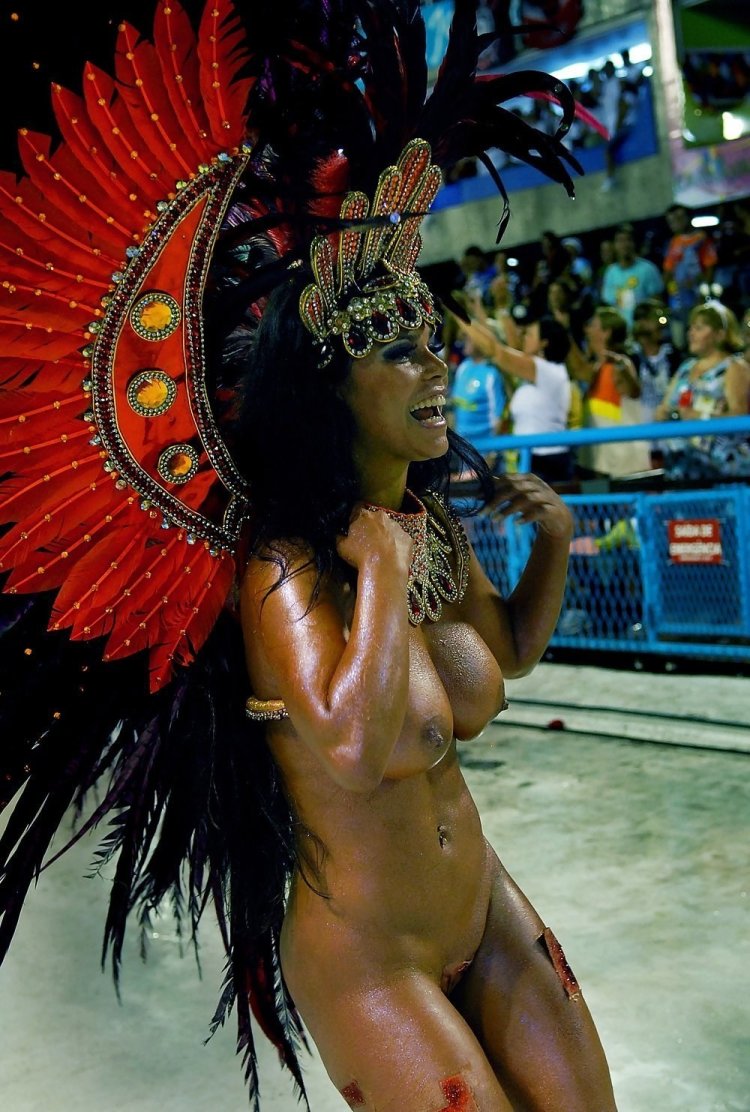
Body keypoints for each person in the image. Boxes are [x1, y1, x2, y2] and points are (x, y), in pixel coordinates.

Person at [0, 2, 618, 1110]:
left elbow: (506, 656)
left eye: (430, 336)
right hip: (371, 961)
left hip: (487, 904)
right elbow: (344, 743)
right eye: (393, 349)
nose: (433, 365)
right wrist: (373, 573)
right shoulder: (284, 567)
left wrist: (555, 544)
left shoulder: (425, 527)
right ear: (331, 390)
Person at [459, 308, 575, 484]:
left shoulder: (547, 371)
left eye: (530, 335)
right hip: (530, 458)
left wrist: (457, 313)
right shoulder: (536, 375)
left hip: (547, 462)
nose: (524, 338)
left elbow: (495, 350)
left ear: (544, 343)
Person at [655, 302, 750, 481]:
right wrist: (663, 413)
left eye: (699, 328)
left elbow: (740, 416)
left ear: (719, 334)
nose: (691, 333)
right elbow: (666, 407)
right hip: (681, 469)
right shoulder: (685, 368)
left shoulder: (734, 368)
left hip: (721, 472)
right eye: (691, 327)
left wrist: (700, 417)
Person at [577, 306, 651, 478]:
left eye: (593, 325)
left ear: (606, 333)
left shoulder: (621, 365)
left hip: (621, 462)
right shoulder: (597, 367)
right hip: (598, 460)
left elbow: (633, 391)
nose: (587, 330)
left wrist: (623, 370)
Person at [662, 203, 718, 347]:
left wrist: (705, 291)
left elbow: (710, 266)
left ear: (688, 218)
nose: (676, 223)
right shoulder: (674, 242)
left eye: (679, 218)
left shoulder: (701, 238)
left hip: (697, 295)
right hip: (678, 298)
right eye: (671, 221)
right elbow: (668, 269)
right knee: (681, 338)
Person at [601, 223, 664, 328]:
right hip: (621, 331)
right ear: (614, 245)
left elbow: (657, 303)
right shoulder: (610, 272)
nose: (624, 244)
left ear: (634, 243)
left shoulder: (648, 269)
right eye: (620, 241)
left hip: (643, 330)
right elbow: (609, 305)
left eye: (628, 240)